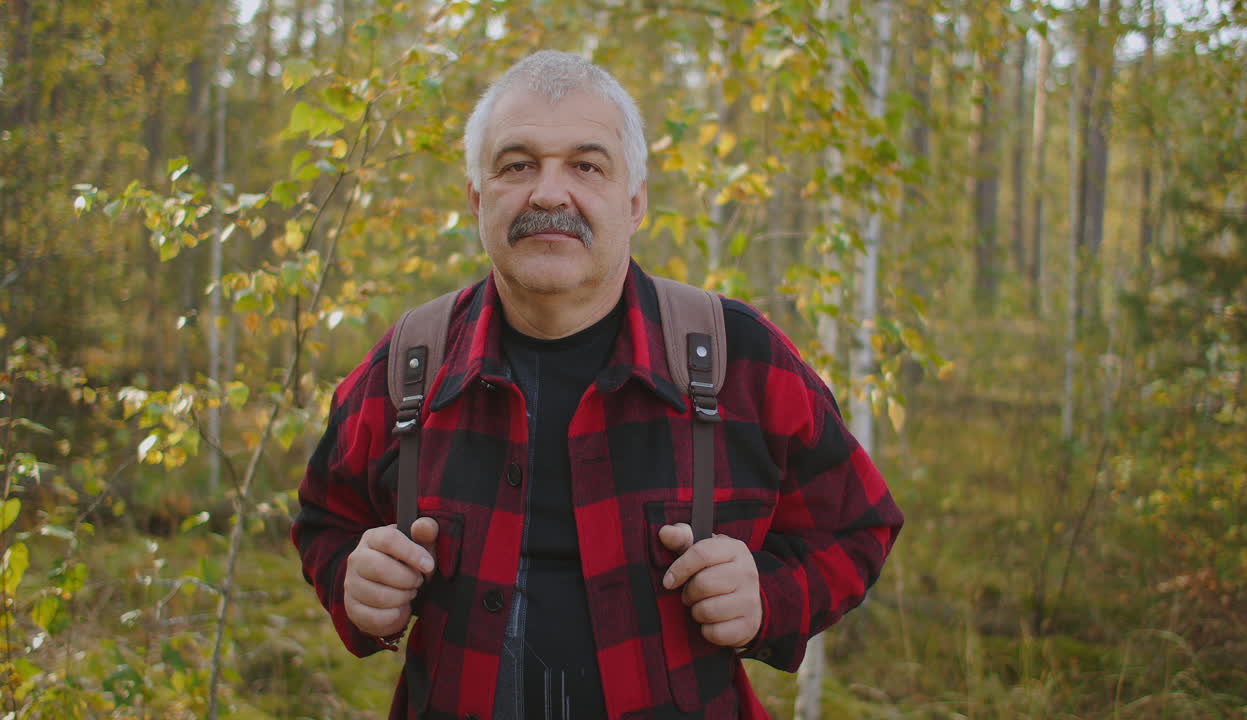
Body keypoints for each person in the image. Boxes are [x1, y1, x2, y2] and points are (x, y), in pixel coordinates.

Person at [292, 50, 903, 720]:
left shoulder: (738, 360)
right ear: (477, 198)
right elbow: (326, 521)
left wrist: (769, 597)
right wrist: (355, 581)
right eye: (517, 165)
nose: (550, 193)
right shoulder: (410, 364)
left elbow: (859, 524)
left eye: (586, 166)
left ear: (634, 201)